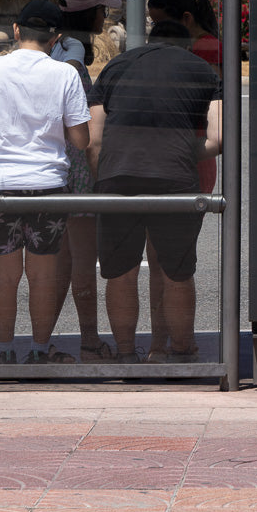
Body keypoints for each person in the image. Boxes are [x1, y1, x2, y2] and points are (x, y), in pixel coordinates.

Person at [0, 0, 91, 365]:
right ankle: (38, 350)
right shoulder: (65, 73)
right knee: (43, 275)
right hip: (48, 184)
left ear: (17, 31)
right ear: (56, 38)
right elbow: (81, 140)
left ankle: (4, 352)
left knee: (4, 275)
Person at [88, 19, 222, 363]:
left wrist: (100, 179)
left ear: (149, 41)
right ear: (185, 44)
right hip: (174, 176)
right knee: (176, 270)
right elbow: (218, 138)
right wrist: (179, 151)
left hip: (117, 175)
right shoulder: (203, 71)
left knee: (120, 271)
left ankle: (126, 354)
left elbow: (95, 139)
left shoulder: (116, 66)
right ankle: (180, 352)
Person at [52, 0, 123, 362]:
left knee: (60, 260)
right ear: (87, 14)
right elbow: (79, 115)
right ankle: (90, 339)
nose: (105, 15)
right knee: (82, 259)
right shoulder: (75, 52)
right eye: (101, 9)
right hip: (76, 166)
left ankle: (41, 338)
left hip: (52, 163)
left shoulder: (55, 42)